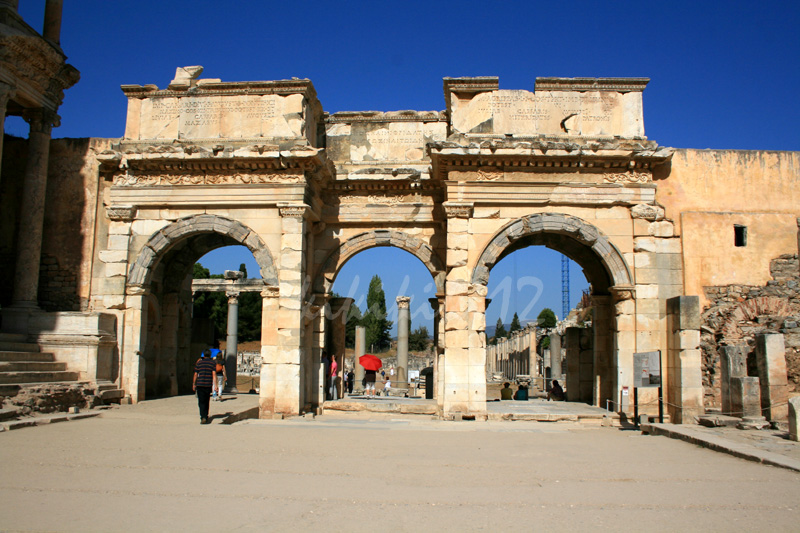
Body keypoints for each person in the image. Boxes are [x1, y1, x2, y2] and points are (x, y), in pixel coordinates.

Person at [193, 349, 217, 424]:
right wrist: (215, 385)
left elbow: (196, 374)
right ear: (210, 355)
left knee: (201, 401)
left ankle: (202, 416)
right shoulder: (212, 363)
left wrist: (194, 383)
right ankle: (205, 416)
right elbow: (214, 374)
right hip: (208, 384)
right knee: (206, 400)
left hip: (200, 384)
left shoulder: (199, 363)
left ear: (203, 355)